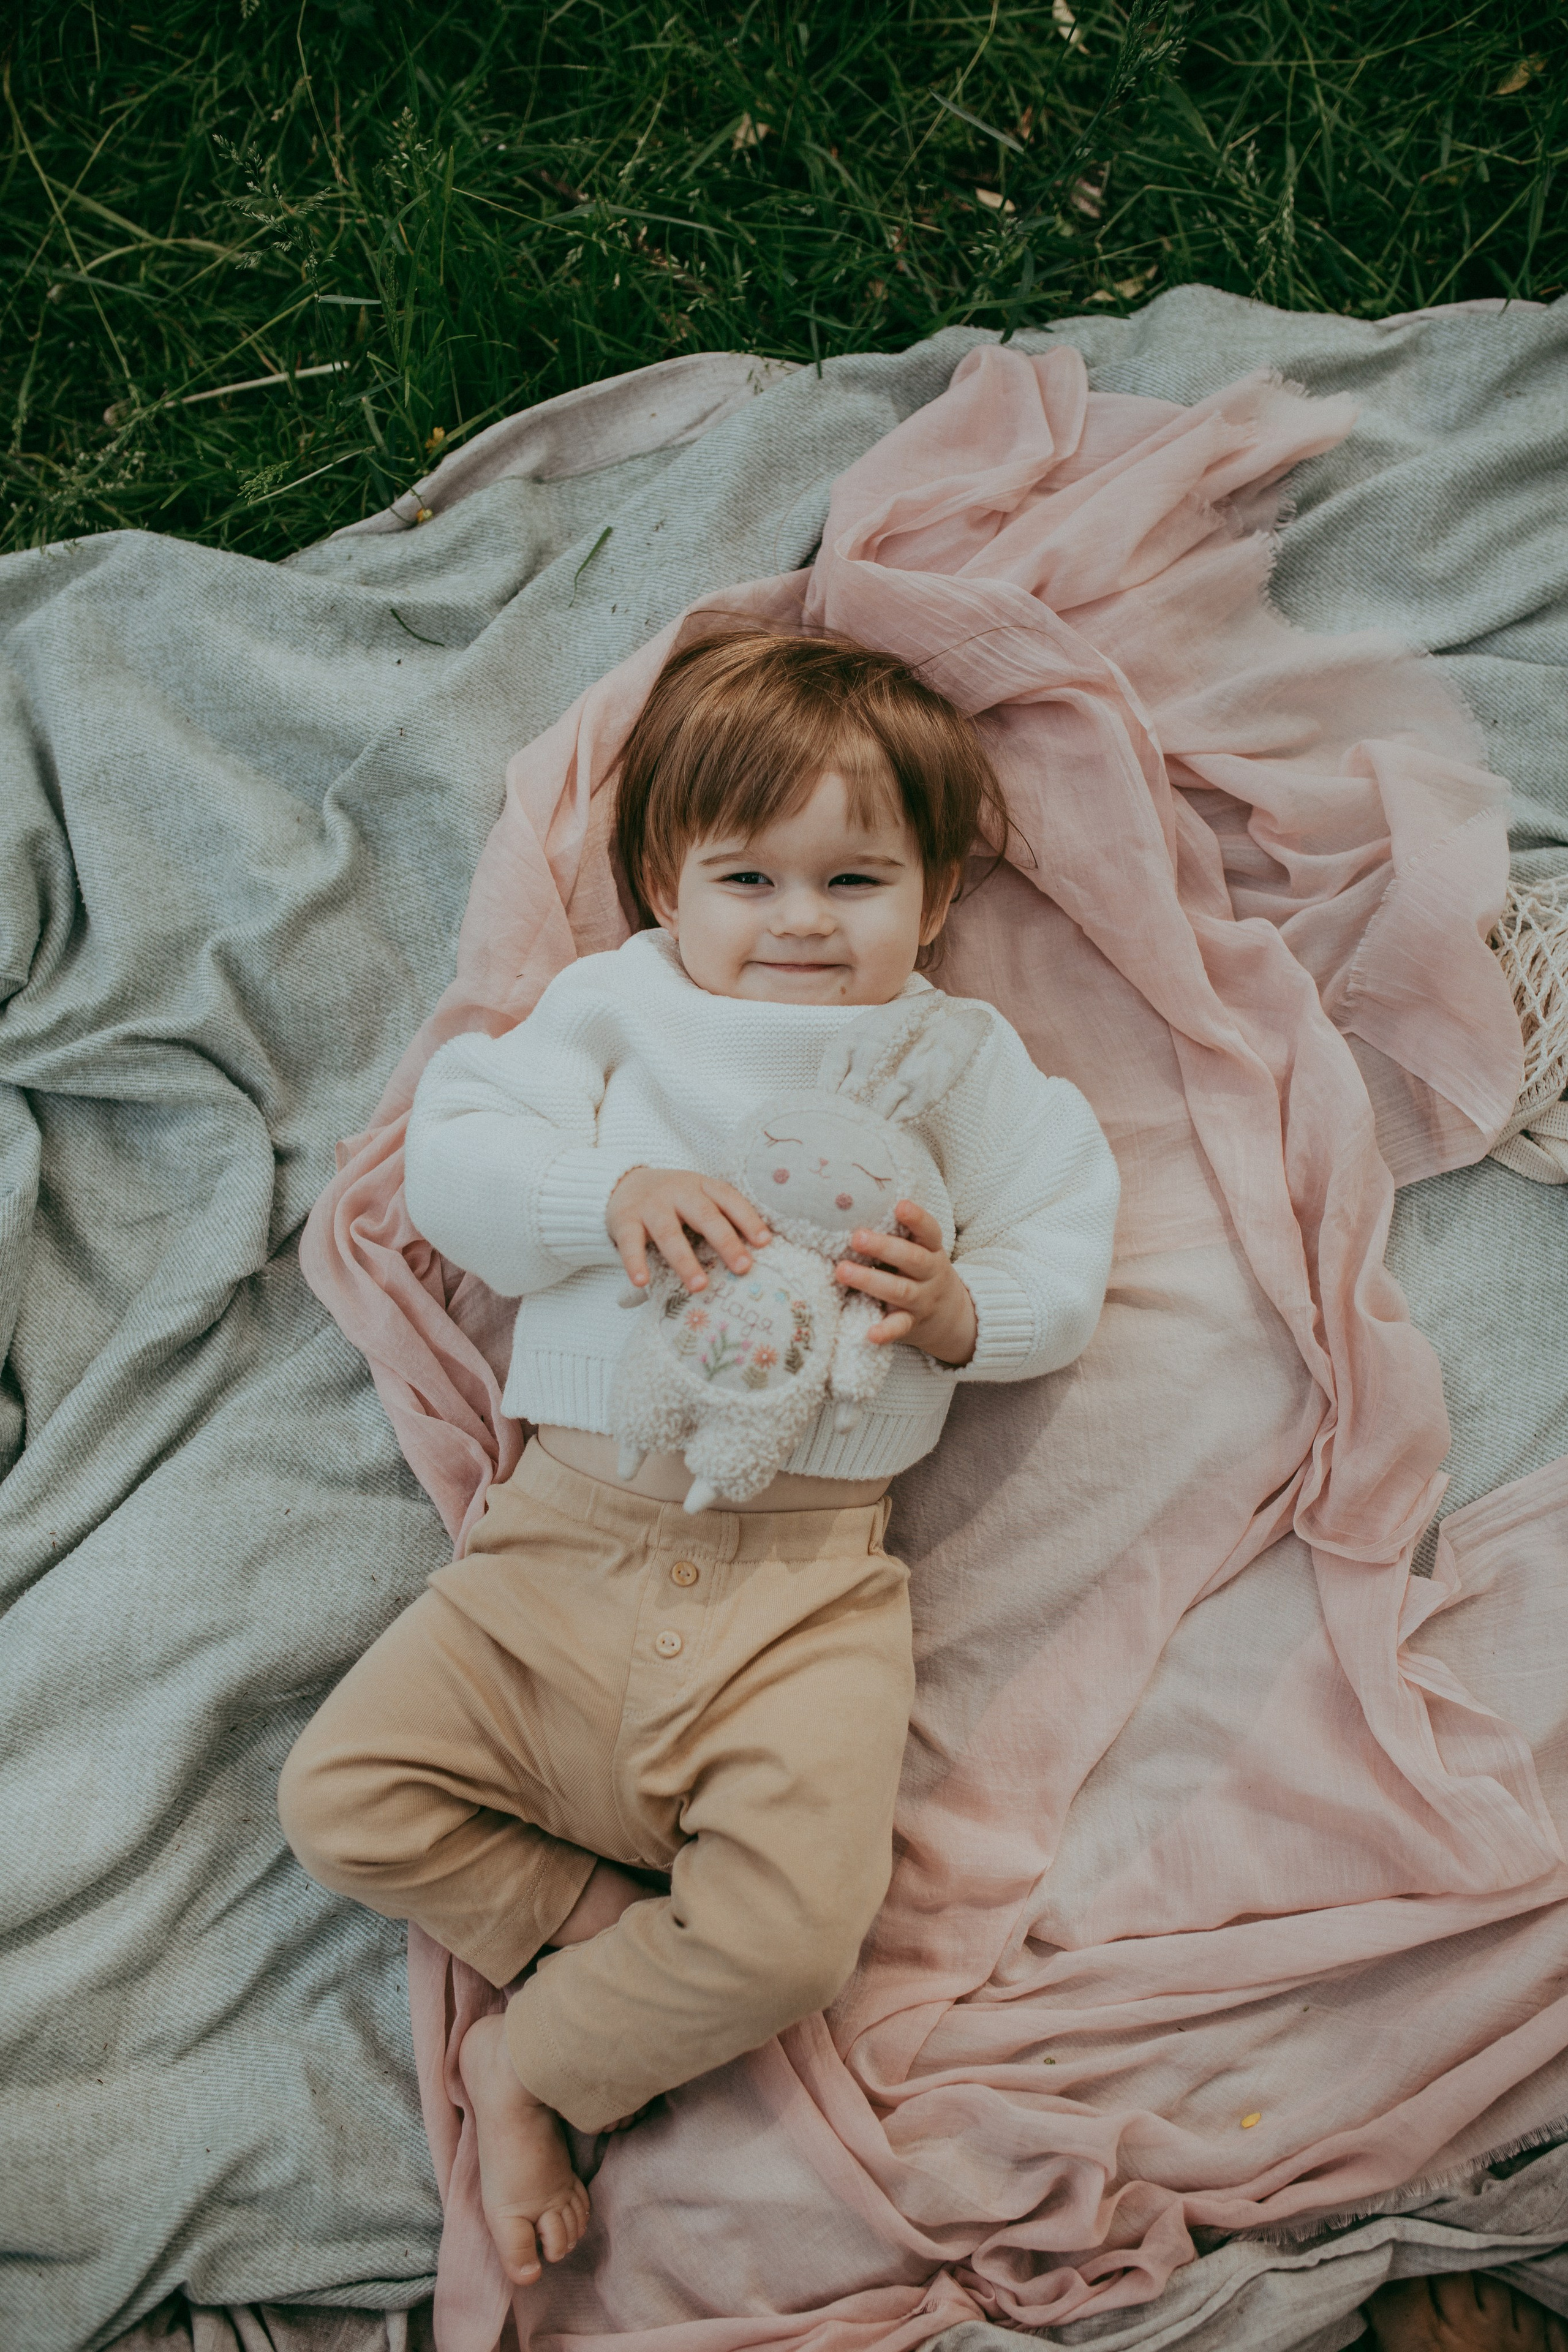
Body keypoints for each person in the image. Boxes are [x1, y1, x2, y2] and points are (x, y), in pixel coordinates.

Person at [277, 628, 1120, 2288]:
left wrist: (964, 1312)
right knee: (339, 1800)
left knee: (796, 1942)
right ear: (666, 882)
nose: (803, 922)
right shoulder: (616, 1013)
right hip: (559, 1550)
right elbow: (452, 1153)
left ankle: (539, 2060)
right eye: (751, 876)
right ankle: (598, 1926)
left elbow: (1066, 1248)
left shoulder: (966, 1065)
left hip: (803, 1595)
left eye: (856, 880)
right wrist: (592, 1202)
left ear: (937, 899)